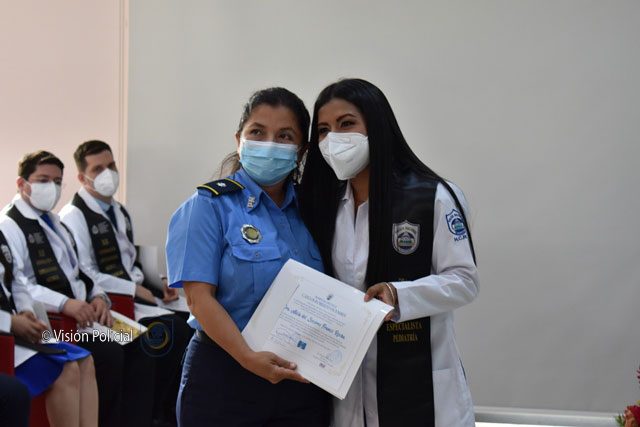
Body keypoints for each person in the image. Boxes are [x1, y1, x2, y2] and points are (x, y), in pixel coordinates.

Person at [299, 78, 479, 427]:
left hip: (422, 390)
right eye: (323, 130)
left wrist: (400, 295)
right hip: (347, 384)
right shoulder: (325, 206)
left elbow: (464, 281)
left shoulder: (433, 197)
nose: (333, 139)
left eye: (346, 124)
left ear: (376, 125)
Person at [166, 87, 330, 426]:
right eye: (257, 132)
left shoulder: (316, 211)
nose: (269, 144)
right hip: (225, 376)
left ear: (301, 150)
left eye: (284, 136)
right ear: (238, 139)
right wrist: (247, 356)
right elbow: (198, 299)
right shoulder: (207, 206)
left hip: (301, 381)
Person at [0, 150, 154, 427]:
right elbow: (25, 284)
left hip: (84, 315)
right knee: (108, 353)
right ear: (22, 184)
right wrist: (64, 304)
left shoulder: (55, 221)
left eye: (57, 181)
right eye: (43, 180)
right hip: (59, 322)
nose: (52, 188)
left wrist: (99, 296)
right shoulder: (9, 225)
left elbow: (80, 270)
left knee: (142, 342)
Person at [60, 139, 192, 426]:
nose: (108, 173)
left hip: (138, 296)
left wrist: (158, 282)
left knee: (190, 323)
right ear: (82, 177)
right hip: (111, 301)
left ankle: (166, 411)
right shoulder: (73, 217)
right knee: (167, 334)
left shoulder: (119, 210)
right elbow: (85, 272)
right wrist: (134, 289)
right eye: (98, 169)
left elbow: (130, 260)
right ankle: (145, 415)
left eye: (111, 165)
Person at [1, 229, 99, 427]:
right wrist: (10, 322)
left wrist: (26, 311)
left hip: (14, 327)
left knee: (85, 361)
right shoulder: (12, 225)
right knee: (66, 369)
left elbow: (16, 281)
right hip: (5, 334)